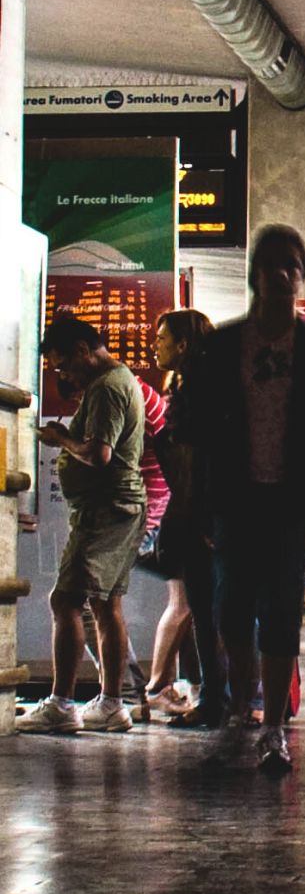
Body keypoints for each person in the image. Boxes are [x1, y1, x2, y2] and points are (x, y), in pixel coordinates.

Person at [175, 225, 305, 774]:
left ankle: (275, 726)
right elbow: (192, 427)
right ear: (254, 274)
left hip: (291, 498)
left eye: (291, 266)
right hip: (234, 495)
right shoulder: (224, 345)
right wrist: (190, 496)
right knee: (231, 607)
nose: (281, 275)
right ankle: (246, 695)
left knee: (282, 605)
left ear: (302, 277)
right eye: (271, 265)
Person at [20, 314, 148, 735]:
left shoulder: (108, 388)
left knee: (65, 601)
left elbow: (98, 455)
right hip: (116, 508)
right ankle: (112, 703)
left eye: (63, 365)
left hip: (105, 510)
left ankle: (62, 702)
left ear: (82, 350)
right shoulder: (117, 382)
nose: (64, 375)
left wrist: (60, 440)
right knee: (105, 604)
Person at [146, 308, 220, 726]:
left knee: (207, 611)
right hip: (201, 514)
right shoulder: (207, 390)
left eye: (162, 337)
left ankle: (216, 699)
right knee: (207, 609)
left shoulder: (194, 397)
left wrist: (199, 516)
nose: (155, 344)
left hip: (198, 516)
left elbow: (194, 462)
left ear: (183, 344)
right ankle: (219, 695)